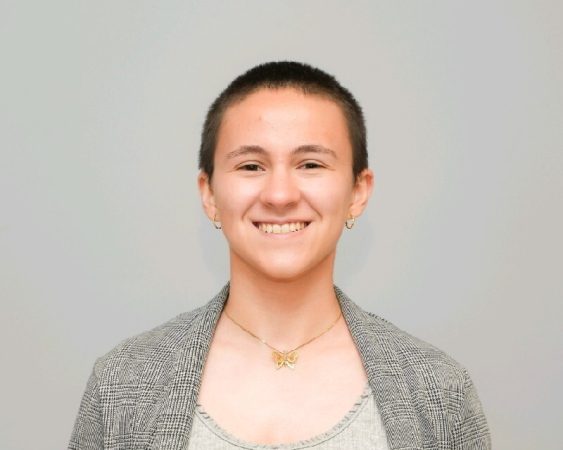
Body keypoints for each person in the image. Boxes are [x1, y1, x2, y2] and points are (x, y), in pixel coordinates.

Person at [69, 62, 491, 449]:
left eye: (311, 164)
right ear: (209, 194)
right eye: (251, 166)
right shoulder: (121, 384)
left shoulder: (440, 392)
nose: (280, 195)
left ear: (358, 192)